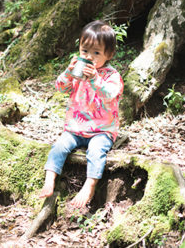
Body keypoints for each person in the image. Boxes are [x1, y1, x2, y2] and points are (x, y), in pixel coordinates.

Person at [39, 20, 124, 208]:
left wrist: (95, 79)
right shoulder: (78, 72)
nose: (89, 57)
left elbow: (109, 95)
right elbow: (61, 88)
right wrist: (69, 73)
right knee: (59, 146)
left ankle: (90, 185)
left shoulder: (112, 76)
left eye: (96, 53)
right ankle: (49, 178)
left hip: (102, 130)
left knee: (95, 151)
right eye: (85, 51)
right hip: (76, 128)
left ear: (108, 54)